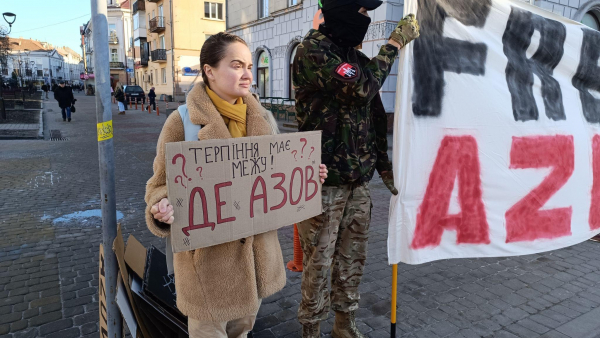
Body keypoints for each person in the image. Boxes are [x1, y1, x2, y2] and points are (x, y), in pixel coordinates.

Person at [145, 32, 328, 338]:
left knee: (243, 332)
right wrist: (161, 207)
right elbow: (158, 185)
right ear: (209, 71)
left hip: (256, 264)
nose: (247, 74)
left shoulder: (264, 117)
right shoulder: (182, 122)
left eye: (248, 65)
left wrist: (309, 175)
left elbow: (279, 172)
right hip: (208, 271)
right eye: (236, 65)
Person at [292, 1, 420, 337]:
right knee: (319, 264)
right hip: (322, 182)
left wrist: (384, 167)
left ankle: (344, 326)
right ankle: (311, 330)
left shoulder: (354, 57)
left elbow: (373, 116)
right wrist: (392, 45)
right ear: (343, 9)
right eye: (363, 11)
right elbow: (363, 88)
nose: (367, 19)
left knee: (352, 259)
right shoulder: (312, 51)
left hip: (357, 182)